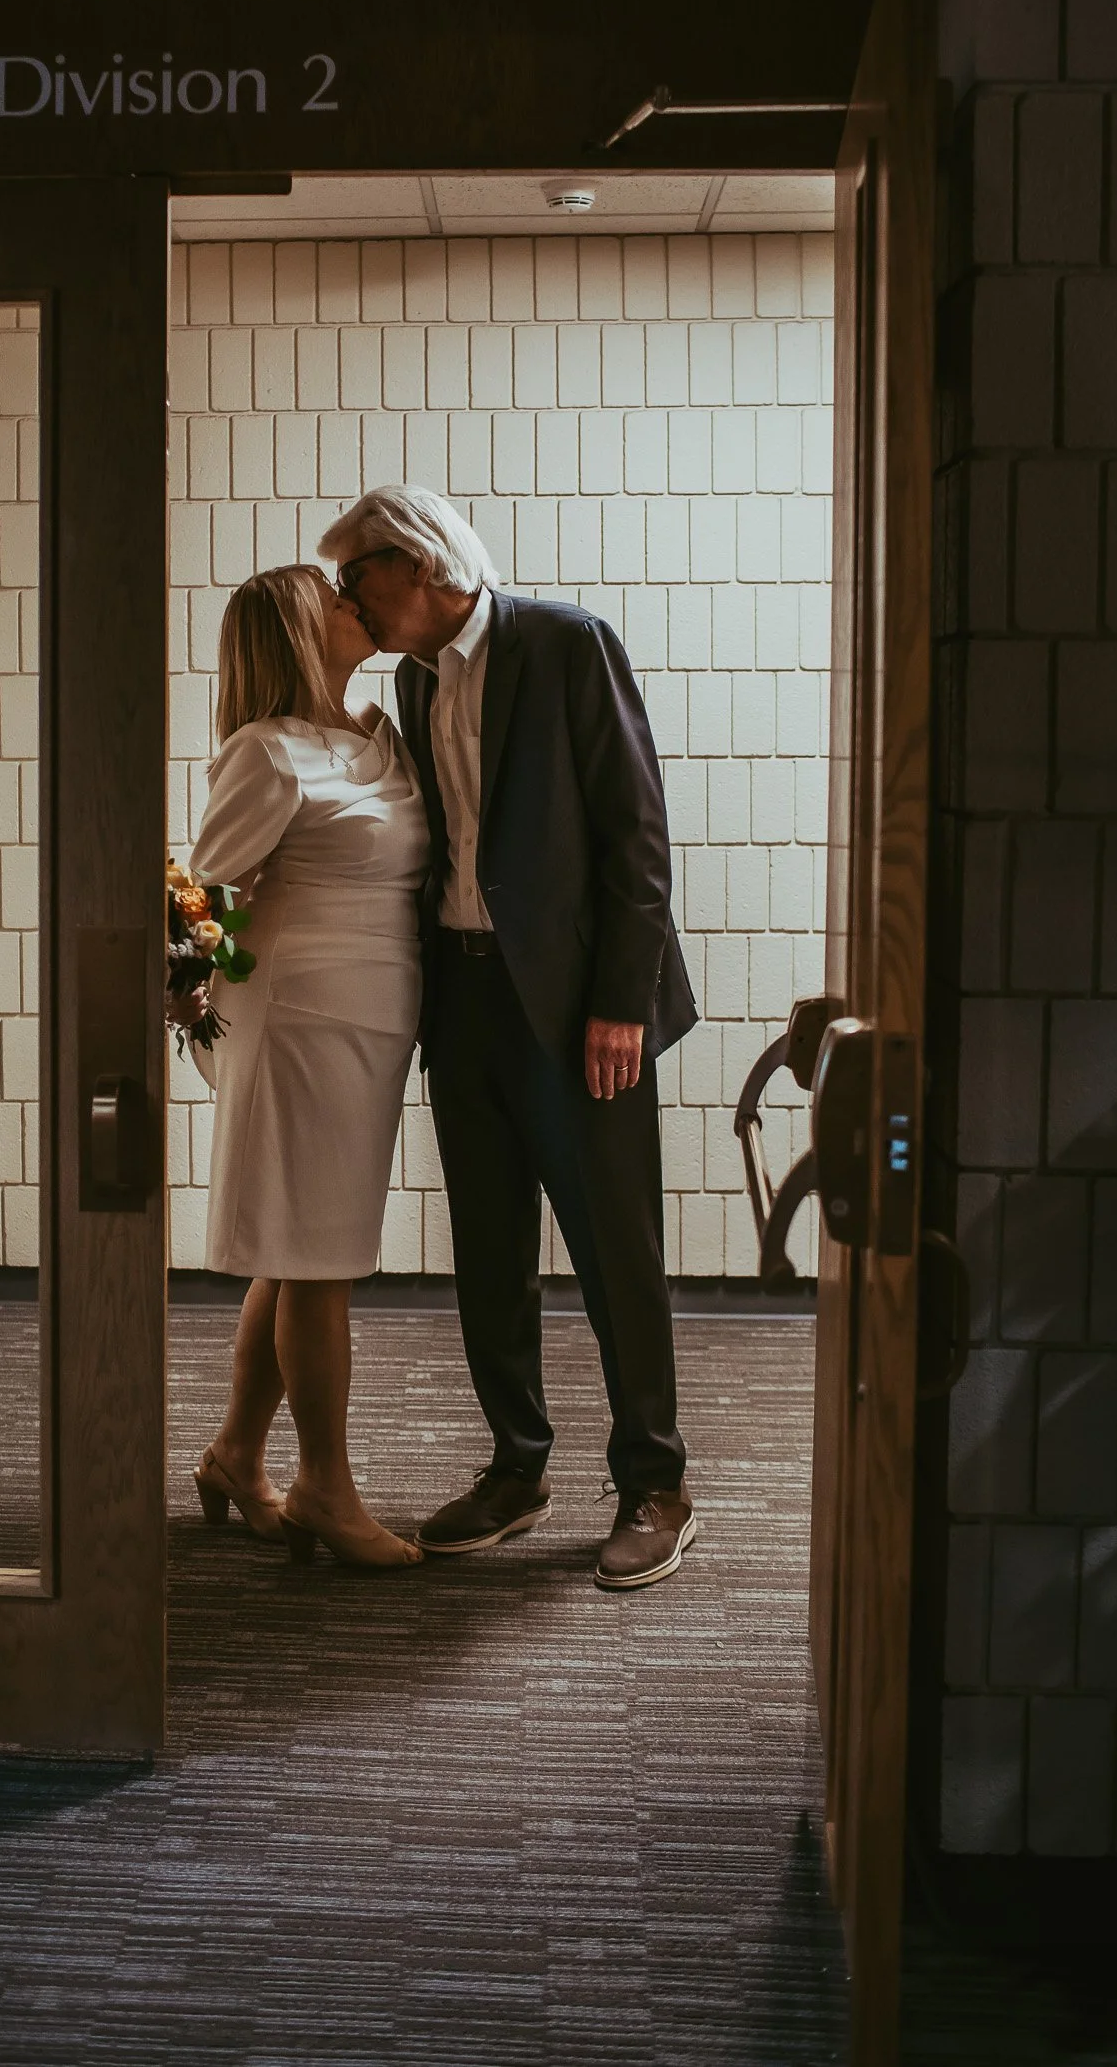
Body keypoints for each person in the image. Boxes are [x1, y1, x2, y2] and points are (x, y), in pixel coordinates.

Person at [318, 486, 700, 1590]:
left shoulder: (567, 645)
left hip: (578, 1004)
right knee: (489, 1248)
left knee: (612, 1249)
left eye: (364, 577)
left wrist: (620, 1002)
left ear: (427, 566)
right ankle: (516, 1465)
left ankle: (655, 1481)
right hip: (467, 998)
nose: (353, 598)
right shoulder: (412, 673)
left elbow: (636, 836)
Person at [180, 564, 429, 1570]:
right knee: (321, 1261)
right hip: (294, 1023)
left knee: (301, 1249)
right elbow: (197, 897)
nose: (350, 601)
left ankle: (237, 1455)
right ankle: (325, 1489)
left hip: (369, 1020)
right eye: (329, 595)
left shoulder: (377, 731)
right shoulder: (265, 752)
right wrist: (189, 1004)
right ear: (292, 627)